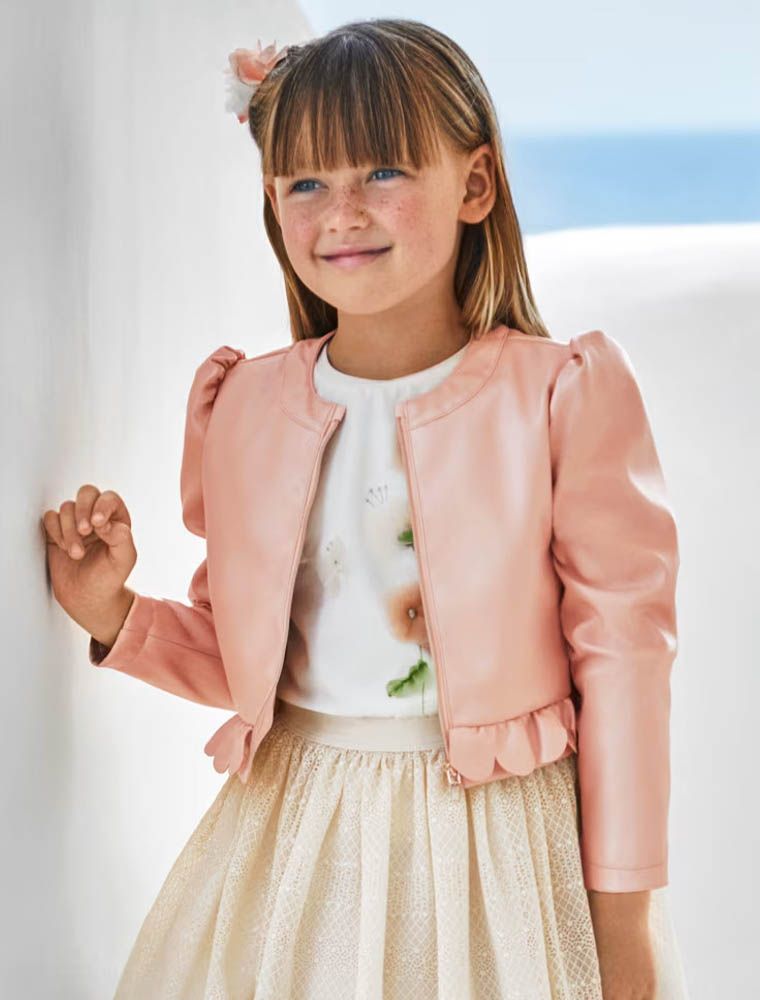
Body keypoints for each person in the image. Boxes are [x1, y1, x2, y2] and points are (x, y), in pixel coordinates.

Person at [41, 18, 690, 1000]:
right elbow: (248, 655)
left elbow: (626, 664)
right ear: (272, 201)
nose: (341, 212)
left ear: (475, 184)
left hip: (497, 854)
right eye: (305, 181)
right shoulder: (243, 404)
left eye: (382, 170)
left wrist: (623, 918)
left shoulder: (558, 394)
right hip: (298, 843)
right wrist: (114, 613)